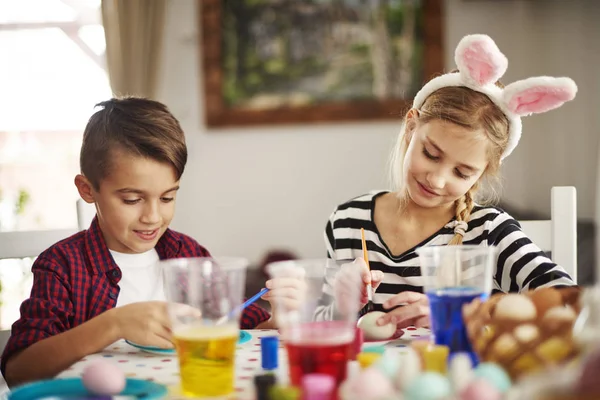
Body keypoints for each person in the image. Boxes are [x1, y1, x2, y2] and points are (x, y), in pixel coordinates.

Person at [1, 98, 304, 387]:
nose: (153, 216)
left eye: (167, 197)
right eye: (132, 199)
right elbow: (18, 371)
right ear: (88, 189)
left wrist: (276, 320)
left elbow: (237, 334)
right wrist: (114, 324)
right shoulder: (63, 265)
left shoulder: (190, 256)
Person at [322, 34, 578, 332]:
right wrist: (344, 305)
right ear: (410, 126)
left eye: (462, 172)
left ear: (481, 174)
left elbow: (570, 302)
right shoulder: (348, 222)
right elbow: (322, 324)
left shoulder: (488, 233)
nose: (437, 179)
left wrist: (467, 313)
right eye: (431, 154)